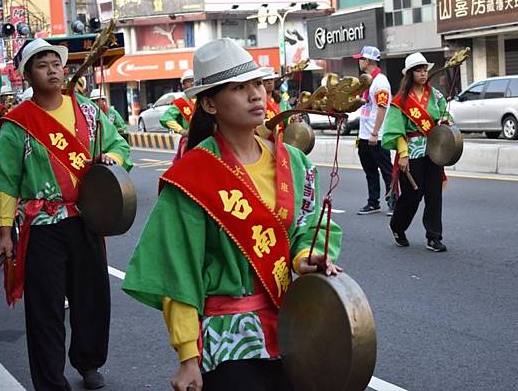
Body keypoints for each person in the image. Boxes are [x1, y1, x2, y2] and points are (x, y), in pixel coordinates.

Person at [122, 38, 342, 391]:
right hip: (229, 342)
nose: (256, 95)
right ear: (209, 103)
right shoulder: (192, 177)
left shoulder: (295, 163)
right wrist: (187, 357)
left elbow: (308, 224)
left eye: (257, 83)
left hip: (291, 328)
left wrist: (305, 256)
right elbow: (179, 271)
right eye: (240, 88)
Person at [0, 38, 132, 390]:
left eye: (55, 63)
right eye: (42, 64)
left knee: (91, 297)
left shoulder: (90, 113)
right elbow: (7, 180)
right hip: (44, 226)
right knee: (45, 308)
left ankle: (89, 362)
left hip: (86, 219)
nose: (52, 70)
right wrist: (5, 231)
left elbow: (118, 146)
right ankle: (50, 380)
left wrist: (113, 161)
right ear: (28, 76)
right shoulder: (18, 122)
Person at [382, 52, 449, 252]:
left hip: (434, 150)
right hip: (412, 152)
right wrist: (403, 154)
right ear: (410, 74)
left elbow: (446, 116)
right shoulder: (400, 100)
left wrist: (445, 122)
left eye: (424, 69)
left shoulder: (436, 96)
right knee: (412, 195)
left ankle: (433, 237)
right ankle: (397, 226)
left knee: (434, 194)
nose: (422, 73)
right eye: (418, 70)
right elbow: (395, 129)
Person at [352, 46, 394, 216]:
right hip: (364, 134)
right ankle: (373, 202)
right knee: (370, 171)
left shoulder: (380, 81)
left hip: (377, 135)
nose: (359, 62)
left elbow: (382, 108)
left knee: (386, 170)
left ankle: (394, 202)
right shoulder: (367, 81)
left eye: (361, 59)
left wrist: (375, 132)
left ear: (368, 61)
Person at [160, 69, 195, 160]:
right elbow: (166, 118)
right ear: (183, 85)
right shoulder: (180, 103)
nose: (192, 83)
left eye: (194, 80)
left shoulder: (206, 99)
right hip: (190, 141)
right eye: (189, 81)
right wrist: (181, 130)